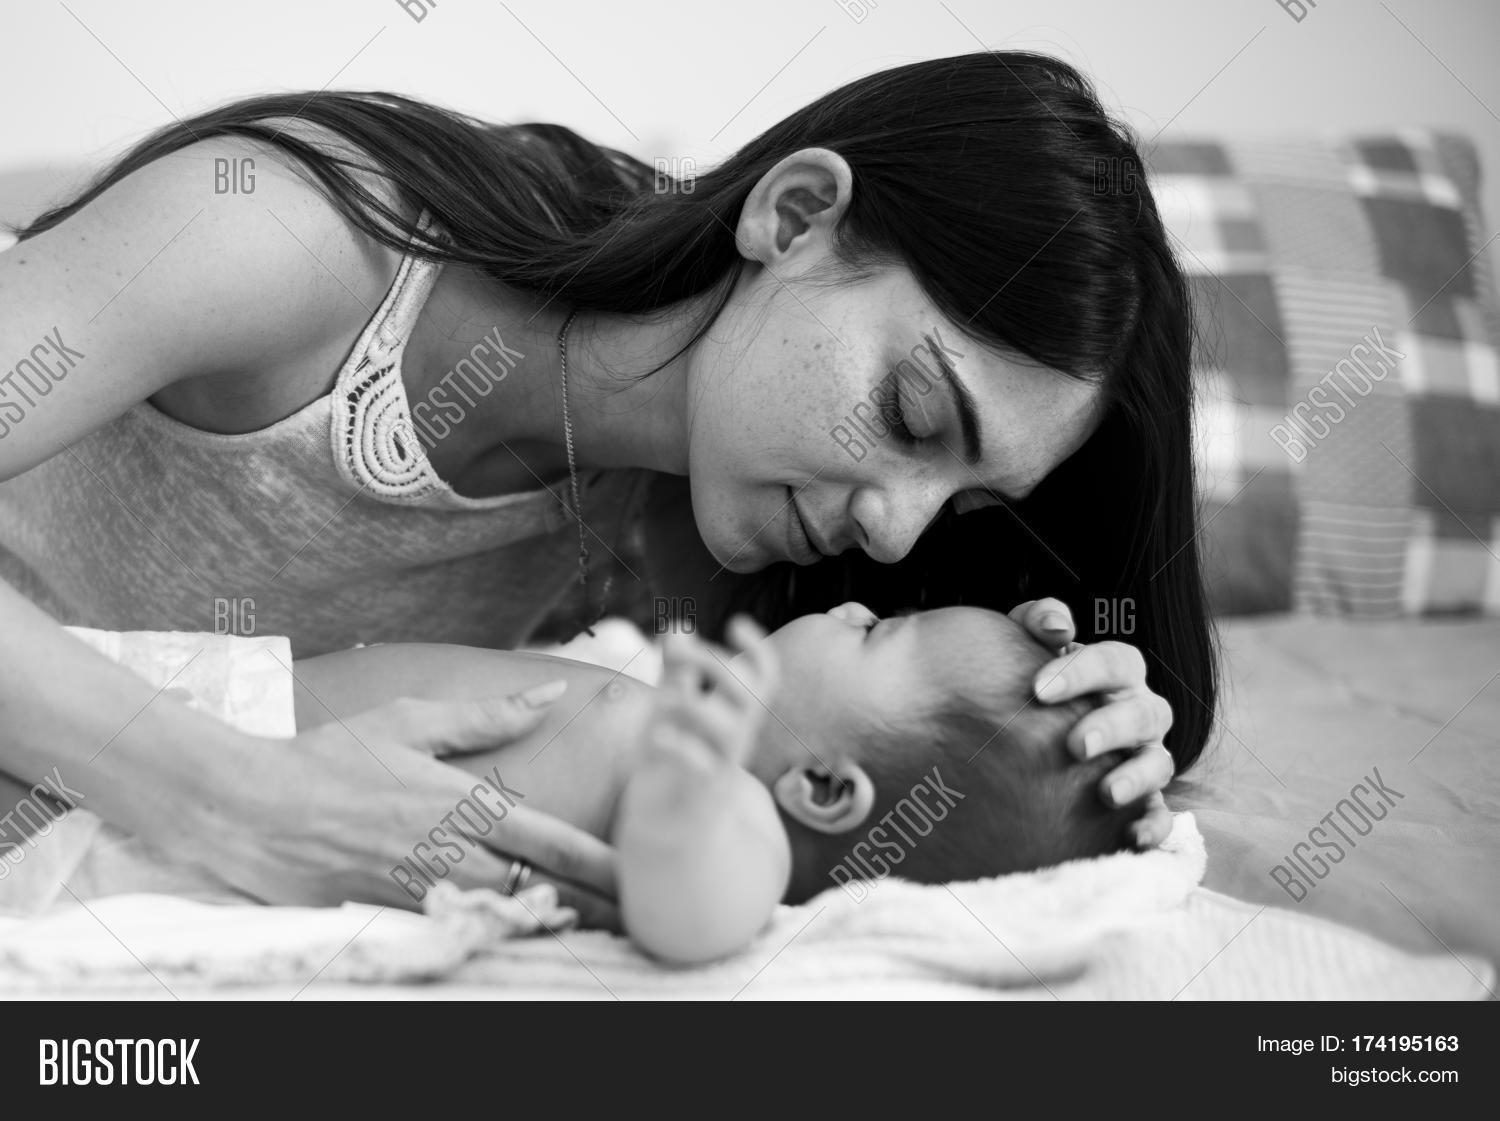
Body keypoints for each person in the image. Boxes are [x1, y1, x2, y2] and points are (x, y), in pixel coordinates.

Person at [0, 50, 1210, 912]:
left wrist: (1084, 756)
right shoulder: (286, 237)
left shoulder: (717, 545)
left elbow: (879, 775)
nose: (896, 537)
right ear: (794, 218)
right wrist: (235, 796)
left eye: (966, 504)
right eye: (910, 413)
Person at [20, 603, 1144, 965]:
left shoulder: (730, 820)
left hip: (125, 824)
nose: (855, 602)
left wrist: (689, 796)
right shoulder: (676, 708)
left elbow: (699, 912)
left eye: (879, 631)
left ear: (821, 787)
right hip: (168, 720)